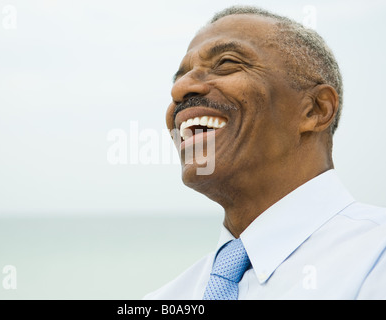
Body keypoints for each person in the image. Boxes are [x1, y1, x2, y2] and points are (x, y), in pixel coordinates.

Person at [144, 5, 386, 300]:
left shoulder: (376, 257)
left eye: (226, 63)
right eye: (178, 77)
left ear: (315, 109)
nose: (180, 89)